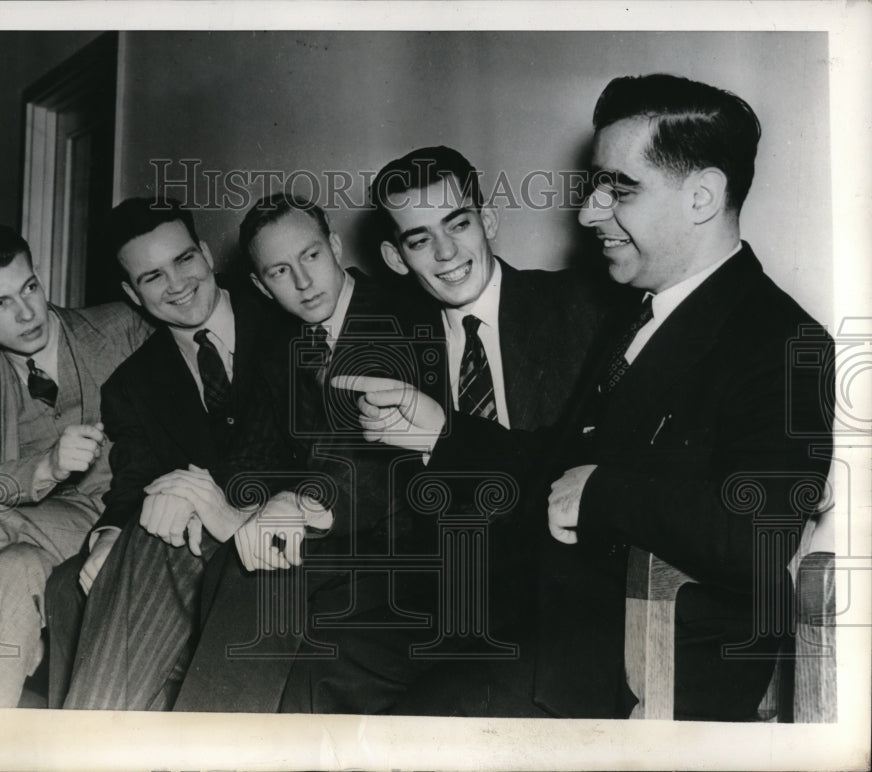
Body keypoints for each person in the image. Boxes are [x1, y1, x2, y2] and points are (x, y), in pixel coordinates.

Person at [338, 75, 834, 721]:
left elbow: (761, 536)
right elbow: (560, 462)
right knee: (336, 657)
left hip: (640, 660)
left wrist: (604, 493)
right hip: (558, 626)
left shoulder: (784, 339)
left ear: (702, 196)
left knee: (413, 726)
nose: (588, 212)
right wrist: (442, 433)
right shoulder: (638, 313)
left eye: (618, 188)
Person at [275, 146, 607, 715]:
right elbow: (361, 471)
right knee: (322, 663)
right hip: (452, 594)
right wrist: (305, 502)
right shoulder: (394, 342)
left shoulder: (581, 309)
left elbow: (587, 463)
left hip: (563, 593)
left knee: (434, 709)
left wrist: (442, 436)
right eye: (420, 238)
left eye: (458, 223)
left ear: (489, 221)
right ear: (396, 257)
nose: (447, 252)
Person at [168, 192, 449, 712]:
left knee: (260, 573)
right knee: (230, 558)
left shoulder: (406, 313)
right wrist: (197, 489)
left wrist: (297, 503)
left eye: (311, 257)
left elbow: (387, 461)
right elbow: (252, 454)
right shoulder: (281, 349)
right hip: (335, 542)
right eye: (279, 271)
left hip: (407, 541)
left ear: (336, 246)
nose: (301, 281)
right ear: (260, 286)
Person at [44, 198, 274, 710]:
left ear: (208, 254)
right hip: (188, 533)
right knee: (69, 583)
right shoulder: (131, 385)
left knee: (153, 547)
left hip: (266, 518)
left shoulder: (280, 317)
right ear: (133, 293)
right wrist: (105, 540)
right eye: (152, 277)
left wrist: (197, 497)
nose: (177, 284)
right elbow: (133, 481)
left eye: (184, 260)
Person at [0, 224, 152, 707]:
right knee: (9, 562)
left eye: (29, 288)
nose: (27, 313)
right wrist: (47, 466)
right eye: (0, 303)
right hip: (41, 527)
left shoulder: (119, 328)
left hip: (120, 516)